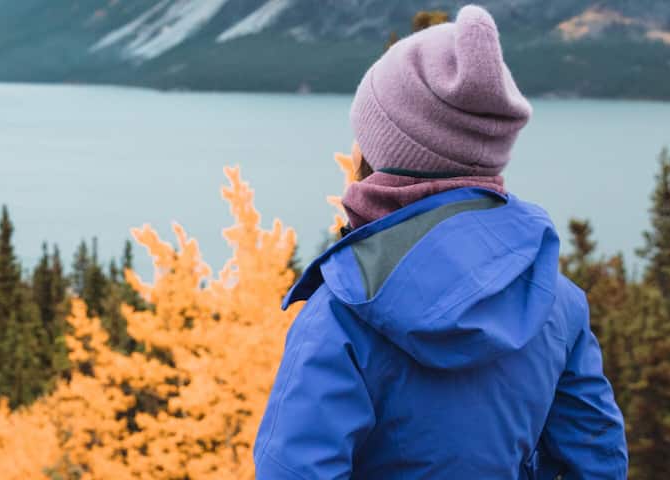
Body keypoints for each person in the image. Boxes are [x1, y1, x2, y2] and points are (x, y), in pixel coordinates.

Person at [252, 5, 628, 479]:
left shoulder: (344, 313)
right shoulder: (556, 301)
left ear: (384, 155)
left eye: (362, 134)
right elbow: (598, 462)